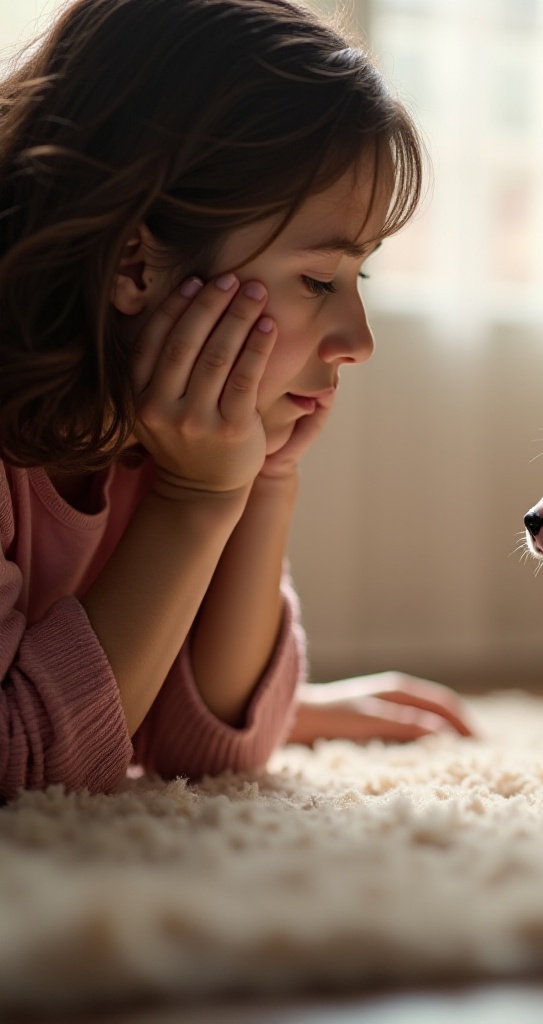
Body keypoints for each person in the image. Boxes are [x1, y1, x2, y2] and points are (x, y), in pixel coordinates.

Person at [0, 0, 474, 802]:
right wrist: (195, 500)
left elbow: (212, 753)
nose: (357, 340)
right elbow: (23, 771)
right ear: (136, 265)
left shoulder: (156, 423)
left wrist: (262, 483)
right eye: (320, 280)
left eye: (360, 280)